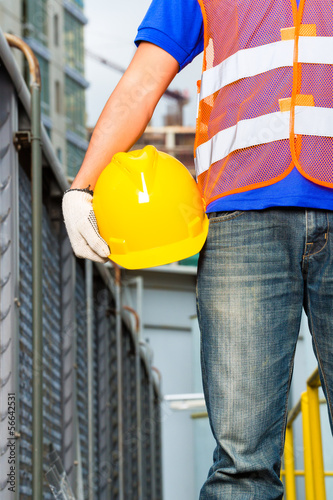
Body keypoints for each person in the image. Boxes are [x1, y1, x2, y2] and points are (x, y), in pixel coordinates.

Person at [62, 0, 333, 498]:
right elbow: (145, 80)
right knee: (242, 465)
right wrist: (83, 186)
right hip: (241, 221)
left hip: (250, 223)